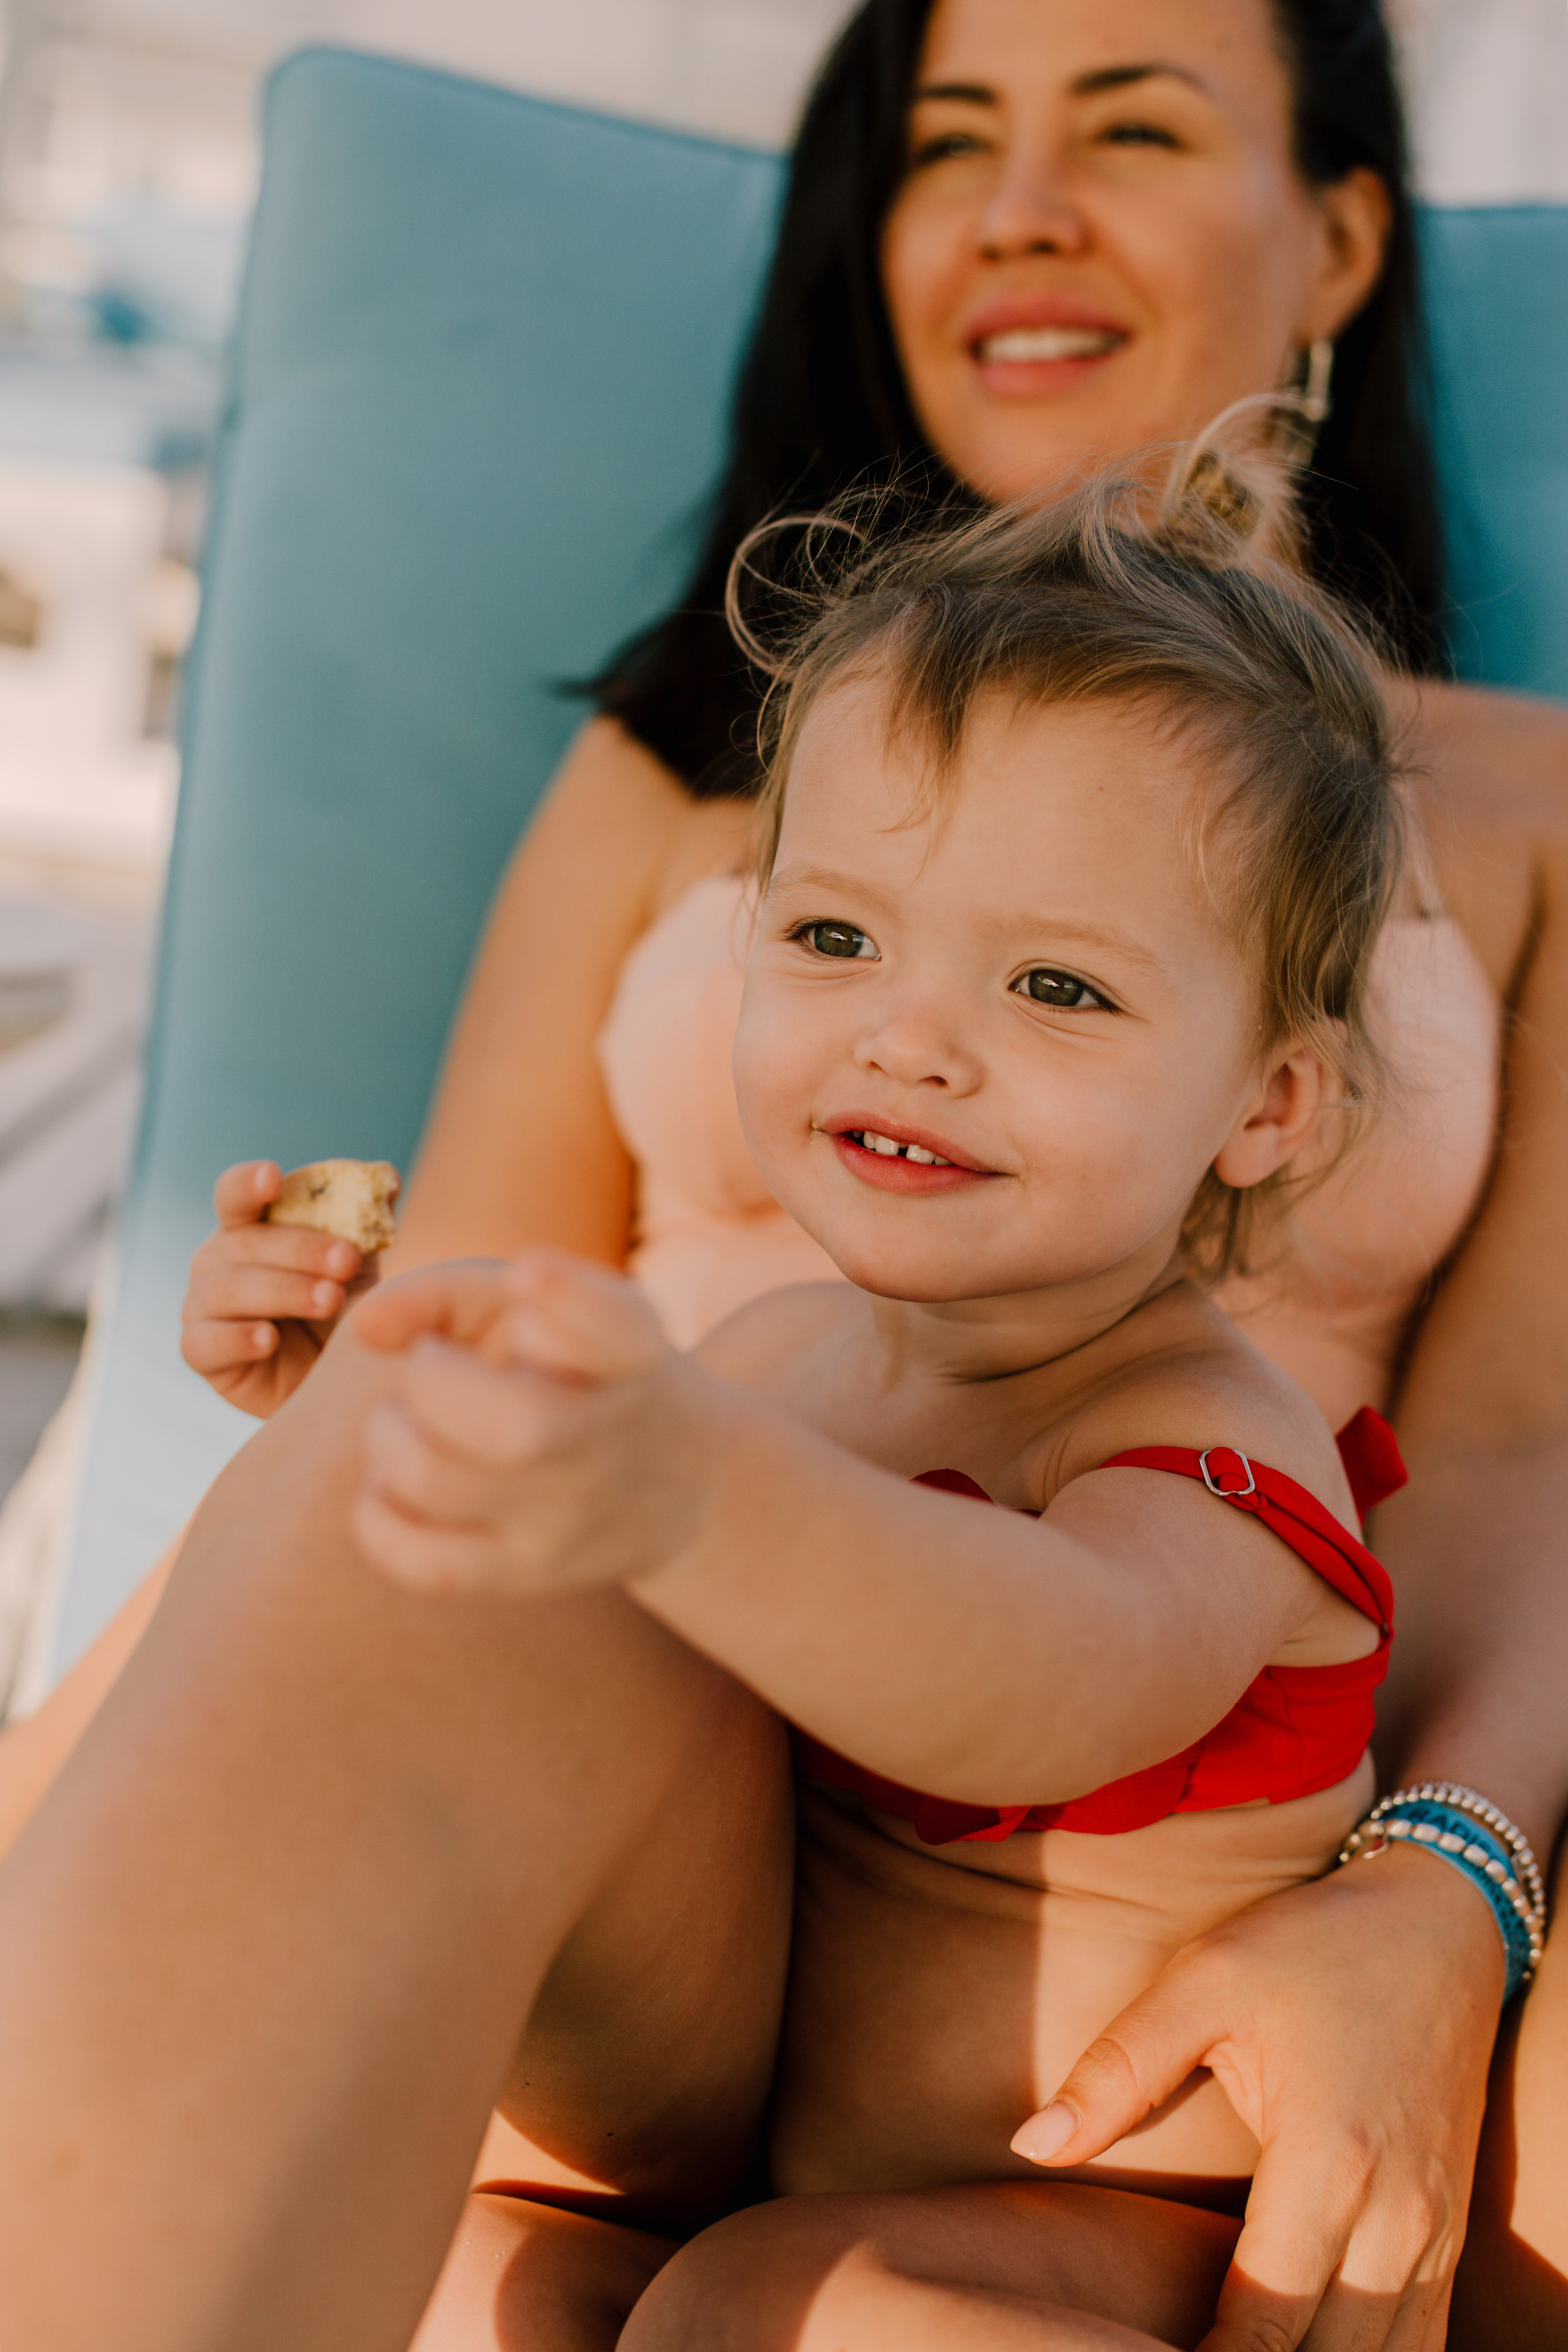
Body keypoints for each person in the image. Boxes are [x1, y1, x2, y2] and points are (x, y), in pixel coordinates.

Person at [1, 0, 1565, 2342]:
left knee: (803, 2312)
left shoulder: (1215, 1446)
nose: (912, 1035)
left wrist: (1452, 1876)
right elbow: (509, 1308)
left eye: (1131, 125)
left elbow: (1078, 1654)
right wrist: (390, 1373)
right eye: (827, 938)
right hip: (692, 1905)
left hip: (1067, 2129)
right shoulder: (700, 887)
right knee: (388, 1492)